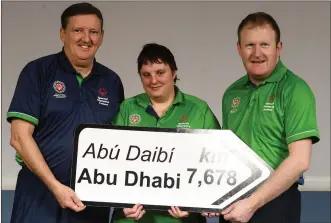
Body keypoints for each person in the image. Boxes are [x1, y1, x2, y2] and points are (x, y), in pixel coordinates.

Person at [7, 2, 124, 223]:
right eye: (78, 30)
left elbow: (118, 145)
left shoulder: (112, 81)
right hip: (39, 198)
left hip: (90, 203)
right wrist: (55, 187)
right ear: (63, 34)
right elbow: (19, 138)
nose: (86, 38)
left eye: (93, 32)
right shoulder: (38, 71)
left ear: (102, 36)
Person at [204, 12, 320, 223]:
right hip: (234, 200)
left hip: (277, 201)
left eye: (265, 44)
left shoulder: (295, 90)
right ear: (239, 48)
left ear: (278, 48)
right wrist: (211, 196)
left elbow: (300, 160)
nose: (257, 53)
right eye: (249, 45)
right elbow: (226, 154)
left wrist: (252, 203)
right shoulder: (232, 93)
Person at [110, 43, 220, 223]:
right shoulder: (128, 108)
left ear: (174, 73)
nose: (153, 80)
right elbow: (110, 161)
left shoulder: (198, 109)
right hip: (133, 218)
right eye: (146, 75)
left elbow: (217, 162)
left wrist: (195, 205)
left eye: (160, 72)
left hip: (179, 218)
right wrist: (121, 204)